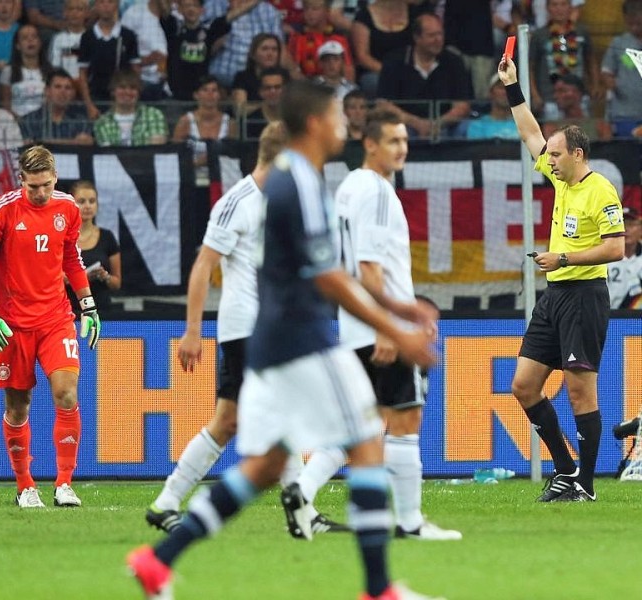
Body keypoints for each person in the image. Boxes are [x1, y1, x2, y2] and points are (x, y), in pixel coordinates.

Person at [127, 79, 438, 600]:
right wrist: (396, 328)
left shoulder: (288, 181)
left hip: (272, 340)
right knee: (365, 440)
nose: (346, 124)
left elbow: (323, 269)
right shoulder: (301, 184)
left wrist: (400, 306)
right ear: (315, 123)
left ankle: (157, 561)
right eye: (339, 116)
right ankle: (380, 588)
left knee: (266, 466)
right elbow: (328, 278)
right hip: (302, 341)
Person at [498, 56, 625, 502]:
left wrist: (564, 257)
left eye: (555, 153)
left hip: (585, 295)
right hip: (555, 296)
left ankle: (584, 486)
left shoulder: (599, 189)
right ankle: (565, 469)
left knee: (578, 390)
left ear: (577, 154)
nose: (546, 158)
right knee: (523, 386)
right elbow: (530, 131)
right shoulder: (562, 180)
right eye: (548, 154)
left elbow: (616, 248)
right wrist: (513, 87)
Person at [335, 108, 461, 541]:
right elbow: (370, 269)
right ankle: (409, 522)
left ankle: (306, 496)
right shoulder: (377, 192)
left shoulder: (349, 186)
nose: (402, 148)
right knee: (406, 420)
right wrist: (390, 330)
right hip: (378, 325)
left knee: (363, 428)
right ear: (369, 143)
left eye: (405, 140)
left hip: (353, 322)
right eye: (393, 140)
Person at [0, 145, 101, 509]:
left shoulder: (68, 208)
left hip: (56, 318)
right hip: (11, 326)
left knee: (67, 394)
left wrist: (87, 303)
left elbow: (71, 257)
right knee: (18, 407)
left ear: (54, 177)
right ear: (21, 180)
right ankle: (25, 485)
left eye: (46, 185)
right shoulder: (1, 211)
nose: (40, 193)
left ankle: (64, 483)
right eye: (33, 186)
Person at [377, 13, 473, 139]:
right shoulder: (395, 60)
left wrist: (436, 124)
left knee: (465, 127)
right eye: (432, 35)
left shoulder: (454, 61)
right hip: (406, 124)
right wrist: (417, 123)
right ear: (417, 38)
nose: (438, 40)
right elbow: (384, 104)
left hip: (445, 125)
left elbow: (462, 106)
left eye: (440, 34)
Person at [528, 0, 599, 120]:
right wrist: (535, 95)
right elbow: (531, 68)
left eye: (563, 4)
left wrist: (595, 85)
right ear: (547, 8)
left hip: (579, 97)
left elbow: (590, 60)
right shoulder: (539, 35)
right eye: (554, 5)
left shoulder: (581, 31)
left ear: (570, 7)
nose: (559, 9)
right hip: (549, 98)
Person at [77, 0, 141, 121]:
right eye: (102, 2)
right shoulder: (87, 37)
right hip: (96, 97)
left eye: (110, 2)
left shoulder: (128, 35)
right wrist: (89, 105)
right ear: (96, 6)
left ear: (116, 5)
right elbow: (82, 73)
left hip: (122, 97)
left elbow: (135, 71)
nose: (106, 6)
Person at [172, 75, 238, 186]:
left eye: (214, 90)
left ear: (219, 95)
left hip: (222, 177)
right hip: (192, 178)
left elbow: (233, 154)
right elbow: (175, 155)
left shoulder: (229, 123)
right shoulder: (185, 121)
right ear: (196, 95)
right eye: (205, 90)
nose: (210, 94)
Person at [203, 0, 284, 89]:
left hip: (255, 81)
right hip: (219, 82)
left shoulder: (269, 10)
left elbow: (280, 48)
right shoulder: (213, 4)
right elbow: (203, 42)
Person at [69, 180, 121, 314]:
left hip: (102, 311)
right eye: (81, 201)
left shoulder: (107, 237)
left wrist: (105, 277)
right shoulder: (62, 237)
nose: (87, 206)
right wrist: (84, 277)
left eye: (92, 201)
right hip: (69, 311)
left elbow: (117, 283)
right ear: (71, 205)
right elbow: (53, 279)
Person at [93, 68, 168, 146]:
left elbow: (157, 148)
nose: (128, 92)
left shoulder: (154, 115)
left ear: (139, 92)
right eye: (122, 87)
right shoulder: (102, 122)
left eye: (133, 88)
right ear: (113, 91)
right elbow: (107, 153)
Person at [19, 68, 93, 145]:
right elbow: (28, 149)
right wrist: (73, 142)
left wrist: (40, 143)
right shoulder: (28, 121)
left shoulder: (82, 121)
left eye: (68, 88)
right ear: (47, 91)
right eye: (57, 87)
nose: (63, 92)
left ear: (73, 94)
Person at [601, 0, 642, 138]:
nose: (635, 27)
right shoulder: (619, 43)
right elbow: (607, 71)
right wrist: (611, 82)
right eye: (631, 23)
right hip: (625, 113)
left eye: (639, 23)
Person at [0, 23, 52, 118]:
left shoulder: (51, 72)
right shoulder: (8, 71)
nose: (30, 40)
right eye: (24, 38)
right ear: (18, 45)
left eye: (34, 37)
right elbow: (6, 105)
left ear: (40, 43)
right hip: (16, 123)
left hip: (43, 123)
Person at [542, 73, 612, 141]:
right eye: (555, 92)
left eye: (562, 91)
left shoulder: (600, 127)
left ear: (578, 93)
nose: (555, 96)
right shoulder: (551, 128)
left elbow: (607, 151)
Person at [465, 73, 519, 140]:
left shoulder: (523, 125)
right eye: (501, 88)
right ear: (491, 93)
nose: (505, 92)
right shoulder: (477, 126)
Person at [607, 207, 642, 309]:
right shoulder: (604, 258)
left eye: (631, 224)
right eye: (621, 224)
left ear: (640, 229)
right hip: (610, 318)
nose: (625, 229)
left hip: (638, 320)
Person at [47, 0, 88, 79]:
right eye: (71, 9)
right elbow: (55, 66)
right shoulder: (58, 38)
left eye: (79, 9)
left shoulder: (91, 38)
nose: (74, 13)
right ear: (64, 13)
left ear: (86, 13)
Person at [245, 66, 286, 139]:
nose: (272, 92)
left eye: (277, 87)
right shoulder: (251, 121)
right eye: (267, 88)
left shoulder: (296, 119)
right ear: (260, 92)